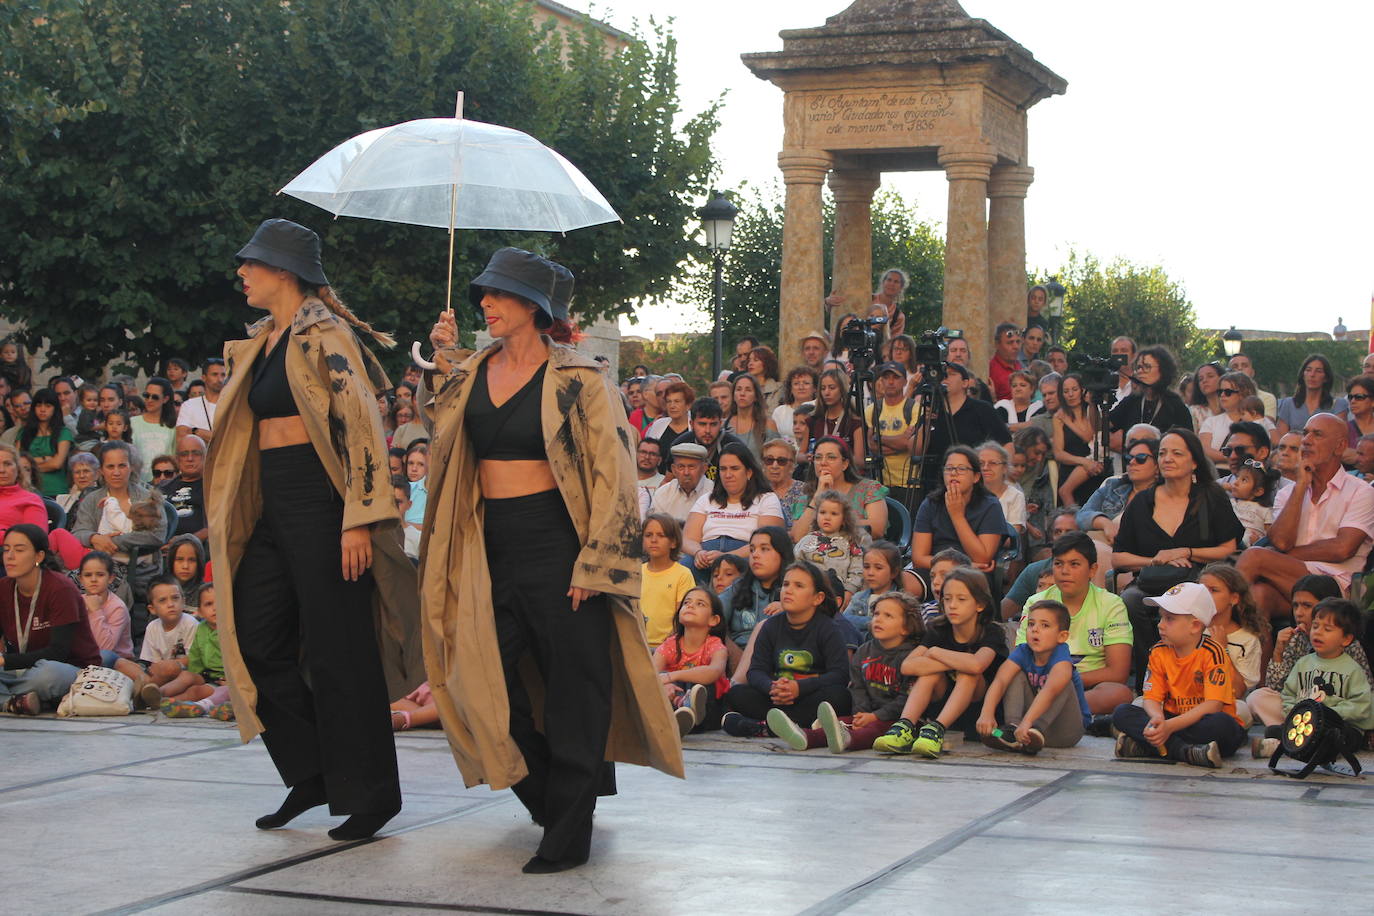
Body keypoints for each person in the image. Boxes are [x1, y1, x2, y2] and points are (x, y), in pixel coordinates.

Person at [421, 247, 679, 874]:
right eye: (484, 292)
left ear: (534, 309)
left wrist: (597, 563)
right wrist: (442, 362)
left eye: (498, 294)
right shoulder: (471, 371)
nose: (486, 302)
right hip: (486, 546)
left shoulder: (580, 380)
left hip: (562, 546)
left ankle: (569, 828)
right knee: (480, 683)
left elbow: (615, 476)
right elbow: (443, 431)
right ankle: (546, 795)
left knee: (574, 692)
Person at [207, 218, 422, 842]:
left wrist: (357, 518)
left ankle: (373, 794)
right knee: (254, 640)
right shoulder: (261, 340)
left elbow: (360, 427)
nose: (242, 272)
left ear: (283, 271)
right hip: (270, 501)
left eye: (252, 262)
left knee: (341, 653)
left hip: (322, 500)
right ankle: (313, 771)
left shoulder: (323, 334)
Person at [1112, 429, 1243, 683]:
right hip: (1153, 580)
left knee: (1194, 601)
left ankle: (1195, 678)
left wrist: (1188, 551)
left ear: (1194, 461)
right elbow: (1118, 558)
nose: (1167, 459)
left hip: (1198, 579)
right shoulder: (1142, 502)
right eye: (1162, 453)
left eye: (1176, 453)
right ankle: (1149, 680)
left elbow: (1229, 548)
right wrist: (1155, 559)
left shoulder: (1210, 496)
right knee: (1130, 599)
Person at [1237, 412, 1374, 623]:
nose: (1306, 441)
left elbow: (1342, 549)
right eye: (1306, 434)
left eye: (1317, 435)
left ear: (1340, 446)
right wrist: (1300, 487)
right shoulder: (1288, 493)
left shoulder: (1361, 491)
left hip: (1336, 587)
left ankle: (1213, 620)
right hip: (1291, 581)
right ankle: (1255, 655)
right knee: (1259, 597)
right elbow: (1281, 541)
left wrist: (1289, 555)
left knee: (1254, 556)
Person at [873, 568, 1008, 756]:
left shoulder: (992, 631)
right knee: (930, 673)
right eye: (947, 598)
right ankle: (904, 727)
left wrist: (935, 652)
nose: (952, 605)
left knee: (968, 673)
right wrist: (952, 661)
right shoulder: (938, 628)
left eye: (961, 599)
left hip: (981, 716)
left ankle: (936, 729)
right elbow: (907, 666)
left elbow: (977, 665)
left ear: (980, 604)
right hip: (941, 703)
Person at [1110, 582, 1247, 768]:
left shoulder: (1213, 652)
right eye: (1161, 618)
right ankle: (1184, 751)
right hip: (1170, 719)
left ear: (1195, 626)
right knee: (1122, 713)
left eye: (1169, 619)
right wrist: (1157, 718)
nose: (1161, 625)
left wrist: (1168, 728)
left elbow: (1213, 706)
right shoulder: (1158, 651)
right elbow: (1151, 698)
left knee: (1224, 726)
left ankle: (1148, 746)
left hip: (1202, 722)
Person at [771, 592, 922, 752]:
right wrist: (861, 713)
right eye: (876, 614)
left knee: (875, 729)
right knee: (841, 723)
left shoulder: (911, 657)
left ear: (906, 628)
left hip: (901, 720)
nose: (878, 619)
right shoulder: (864, 651)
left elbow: (906, 699)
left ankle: (848, 740)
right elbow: (857, 687)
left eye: (888, 616)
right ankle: (806, 737)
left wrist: (875, 716)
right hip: (867, 714)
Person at [721, 561, 853, 738]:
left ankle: (763, 727)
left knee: (840, 697)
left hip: (809, 697)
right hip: (777, 698)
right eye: (785, 584)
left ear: (818, 598)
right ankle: (789, 725)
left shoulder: (828, 628)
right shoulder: (770, 626)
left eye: (798, 586)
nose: (788, 590)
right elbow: (756, 671)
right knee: (737, 693)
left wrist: (799, 688)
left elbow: (840, 674)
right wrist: (772, 688)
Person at [1018, 531, 1134, 717]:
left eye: (1074, 564)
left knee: (1119, 693)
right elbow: (1022, 658)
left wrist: (1064, 680)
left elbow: (1118, 672)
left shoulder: (1111, 604)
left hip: (1086, 687)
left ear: (1092, 570)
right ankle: (1061, 715)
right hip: (1040, 681)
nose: (1064, 571)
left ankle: (1047, 713)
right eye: (1058, 564)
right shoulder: (1035, 603)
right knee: (1007, 682)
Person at [1251, 598, 1374, 759]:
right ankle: (1283, 744)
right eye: (1315, 626)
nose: (1318, 632)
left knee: (1343, 737)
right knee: (1274, 730)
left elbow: (1362, 705)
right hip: (1307, 723)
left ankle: (1295, 747)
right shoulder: (1303, 663)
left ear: (1346, 639)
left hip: (1339, 725)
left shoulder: (1352, 669)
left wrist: (1329, 715)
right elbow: (1288, 694)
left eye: (1327, 629)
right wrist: (1296, 713)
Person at [0, 524, 100, 715]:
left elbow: (58, 652)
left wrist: (5, 660)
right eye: (6, 550)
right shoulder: (3, 588)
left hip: (69, 668)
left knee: (48, 674)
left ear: (39, 556)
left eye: (19, 550)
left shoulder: (60, 588)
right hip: (26, 668)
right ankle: (15, 702)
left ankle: (9, 698)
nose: (10, 556)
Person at [979, 599, 1090, 753]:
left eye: (1045, 625)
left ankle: (1033, 731)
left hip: (1065, 731)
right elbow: (1000, 681)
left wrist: (1029, 723)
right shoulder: (1023, 651)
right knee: (1014, 673)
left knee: (1064, 681)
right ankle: (1011, 732)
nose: (1035, 630)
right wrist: (987, 713)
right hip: (1024, 729)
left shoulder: (1061, 657)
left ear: (1062, 636)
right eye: (1031, 624)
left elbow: (1050, 691)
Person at [72, 442, 168, 598]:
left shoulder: (147, 497)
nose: (116, 472)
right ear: (101, 470)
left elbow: (156, 535)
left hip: (141, 571)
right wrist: (94, 537)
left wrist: (111, 542)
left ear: (131, 467)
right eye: (110, 467)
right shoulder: (92, 500)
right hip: (100, 571)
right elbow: (77, 533)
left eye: (122, 466)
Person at [682, 441, 784, 580]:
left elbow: (767, 541)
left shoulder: (767, 498)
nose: (728, 475)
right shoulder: (707, 499)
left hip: (746, 554)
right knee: (682, 570)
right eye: (723, 469)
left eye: (734, 468)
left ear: (748, 472)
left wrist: (727, 557)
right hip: (706, 554)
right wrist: (698, 552)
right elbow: (688, 539)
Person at [913, 362, 1011, 493]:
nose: (945, 378)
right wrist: (926, 422)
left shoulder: (982, 409)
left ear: (965, 383)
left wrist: (998, 477)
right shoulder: (932, 410)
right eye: (943, 374)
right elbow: (915, 451)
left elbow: (1006, 444)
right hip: (935, 487)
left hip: (974, 487)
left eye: (951, 374)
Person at [911, 445, 1007, 578]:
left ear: (976, 477)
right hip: (934, 568)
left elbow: (982, 559)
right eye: (949, 468)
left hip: (972, 574)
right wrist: (953, 566)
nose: (954, 473)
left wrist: (957, 516)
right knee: (905, 581)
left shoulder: (990, 505)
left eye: (961, 469)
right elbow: (918, 558)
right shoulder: (930, 504)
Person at [654, 586, 729, 736]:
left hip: (709, 710)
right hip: (672, 701)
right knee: (657, 680)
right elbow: (651, 672)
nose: (690, 605)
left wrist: (670, 677)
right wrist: (666, 684)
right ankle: (680, 711)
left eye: (700, 604)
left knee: (699, 686)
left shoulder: (715, 646)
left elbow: (714, 672)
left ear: (713, 619)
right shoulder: (670, 645)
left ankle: (687, 711)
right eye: (687, 602)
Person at [792, 436, 888, 543]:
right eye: (818, 457)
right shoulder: (806, 496)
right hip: (816, 556)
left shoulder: (868, 488)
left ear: (845, 464)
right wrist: (818, 495)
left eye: (831, 457)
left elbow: (877, 529)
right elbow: (798, 537)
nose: (823, 462)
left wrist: (835, 523)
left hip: (859, 552)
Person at [1108, 346, 1192, 456]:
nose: (1140, 371)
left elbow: (1187, 443)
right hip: (1133, 464)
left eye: (1147, 367)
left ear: (1162, 370)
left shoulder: (1175, 404)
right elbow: (1103, 425)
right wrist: (1092, 403)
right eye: (1138, 367)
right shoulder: (1133, 399)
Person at [1077, 436, 1160, 543]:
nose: (1132, 462)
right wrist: (1105, 524)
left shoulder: (1164, 494)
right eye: (1129, 458)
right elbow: (1082, 516)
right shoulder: (1113, 485)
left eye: (1141, 458)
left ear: (1158, 466)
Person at [794, 489, 866, 605]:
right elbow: (795, 564)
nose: (827, 517)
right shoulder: (807, 540)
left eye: (834, 514)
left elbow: (857, 570)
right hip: (807, 593)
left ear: (844, 519)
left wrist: (849, 591)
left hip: (837, 594)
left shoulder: (851, 542)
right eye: (822, 512)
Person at [640, 513, 696, 649]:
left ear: (674, 542)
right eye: (648, 535)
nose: (653, 540)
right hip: (637, 645)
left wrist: (668, 645)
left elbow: (683, 617)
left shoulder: (683, 574)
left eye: (661, 535)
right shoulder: (636, 572)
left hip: (669, 647)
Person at [1052, 373, 1107, 507]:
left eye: (1074, 390)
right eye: (1066, 391)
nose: (1070, 394)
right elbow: (1058, 453)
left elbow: (1089, 436)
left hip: (1093, 468)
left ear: (1082, 390)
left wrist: (1069, 422)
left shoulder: (1091, 409)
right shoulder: (1058, 417)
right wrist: (1083, 462)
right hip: (1071, 468)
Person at [869, 362, 917, 504]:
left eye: (896, 377)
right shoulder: (871, 410)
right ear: (881, 381)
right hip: (879, 484)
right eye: (886, 377)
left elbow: (908, 444)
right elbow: (871, 446)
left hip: (908, 483)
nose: (890, 382)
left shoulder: (914, 407)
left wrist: (879, 437)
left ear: (905, 381)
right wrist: (899, 443)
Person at [77, 550, 131, 668]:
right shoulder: (77, 602)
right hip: (86, 658)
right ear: (80, 579)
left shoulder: (118, 607)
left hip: (116, 662)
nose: (93, 579)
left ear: (111, 578)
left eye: (100, 574)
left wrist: (95, 611)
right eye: (88, 575)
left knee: (103, 656)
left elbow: (105, 648)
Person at [20, 388, 75, 498]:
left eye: (48, 406)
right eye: (39, 405)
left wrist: (30, 466)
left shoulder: (63, 433)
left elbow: (57, 463)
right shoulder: (24, 433)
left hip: (56, 489)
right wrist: (45, 459)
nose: (42, 410)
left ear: (55, 409)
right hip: (28, 490)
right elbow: (18, 462)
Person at [1277, 354, 1349, 436]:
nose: (1312, 375)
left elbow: (1339, 437)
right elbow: (1281, 439)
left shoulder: (1338, 405)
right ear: (1303, 375)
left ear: (1326, 378)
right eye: (1308, 370)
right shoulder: (1288, 404)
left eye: (1318, 371)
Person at [674, 396, 742, 483]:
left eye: (713, 424)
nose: (707, 430)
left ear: (720, 424)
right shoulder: (679, 447)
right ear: (691, 424)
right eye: (702, 424)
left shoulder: (734, 447)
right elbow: (669, 481)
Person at [841, 540, 903, 634]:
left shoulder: (902, 601)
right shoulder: (859, 598)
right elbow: (845, 619)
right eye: (866, 567)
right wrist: (871, 622)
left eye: (878, 568)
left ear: (894, 572)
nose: (870, 573)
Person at [1198, 372, 1260, 467]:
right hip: (1217, 475)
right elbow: (1204, 450)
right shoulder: (1211, 422)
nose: (1222, 395)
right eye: (1220, 392)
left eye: (1228, 392)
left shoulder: (1257, 421)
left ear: (1243, 394)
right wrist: (1235, 458)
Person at [808, 368, 866, 467]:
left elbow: (860, 460)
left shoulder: (854, 423)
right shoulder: (813, 420)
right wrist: (808, 457)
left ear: (842, 389)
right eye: (823, 388)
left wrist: (835, 460)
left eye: (832, 387)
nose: (826, 392)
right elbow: (800, 454)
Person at [650, 442, 712, 526]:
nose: (686, 472)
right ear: (674, 470)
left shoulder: (714, 493)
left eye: (691, 467)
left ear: (704, 469)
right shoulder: (663, 494)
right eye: (681, 467)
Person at [128, 378, 177, 484]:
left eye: (155, 397)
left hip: (165, 483)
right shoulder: (132, 423)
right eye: (146, 395)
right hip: (137, 483)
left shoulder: (173, 426)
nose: (149, 400)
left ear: (165, 399)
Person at [159, 434, 208, 542]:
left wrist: (184, 541)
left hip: (198, 550)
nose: (190, 459)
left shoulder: (211, 488)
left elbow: (214, 527)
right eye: (184, 454)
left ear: (205, 456)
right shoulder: (163, 487)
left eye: (196, 453)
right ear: (177, 459)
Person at [175, 357, 227, 444]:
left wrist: (195, 431)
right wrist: (216, 437)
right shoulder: (189, 405)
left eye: (223, 375)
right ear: (204, 377)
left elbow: (231, 439)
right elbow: (181, 437)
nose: (220, 380)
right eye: (214, 374)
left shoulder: (233, 404)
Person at [1229, 459, 1278, 546]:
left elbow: (1270, 535)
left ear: (1258, 491)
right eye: (1237, 477)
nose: (1235, 483)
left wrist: (1258, 540)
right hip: (1228, 539)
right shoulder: (1229, 502)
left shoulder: (1265, 510)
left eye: (1244, 480)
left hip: (1248, 546)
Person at [760, 438, 807, 524]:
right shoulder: (755, 491)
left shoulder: (803, 490)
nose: (774, 466)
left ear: (792, 466)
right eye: (769, 460)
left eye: (781, 461)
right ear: (763, 464)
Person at [646, 381, 694, 466]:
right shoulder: (658, 425)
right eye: (669, 401)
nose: (672, 406)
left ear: (688, 405)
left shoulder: (695, 427)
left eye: (677, 401)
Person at [725, 372, 771, 459]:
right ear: (733, 395)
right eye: (738, 389)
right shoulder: (724, 425)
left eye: (748, 390)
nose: (742, 394)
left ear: (756, 396)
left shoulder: (768, 425)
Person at [770, 367, 817, 446]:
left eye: (806, 383)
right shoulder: (779, 411)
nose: (801, 387)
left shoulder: (818, 408)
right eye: (796, 384)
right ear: (790, 388)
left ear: (815, 388)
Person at [1227, 352, 1278, 420]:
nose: (1240, 368)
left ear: (1252, 372)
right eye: (1235, 366)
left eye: (1245, 365)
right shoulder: (1224, 397)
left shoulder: (1267, 398)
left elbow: (1267, 425)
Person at [987, 323, 1024, 402]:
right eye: (1010, 343)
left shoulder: (1020, 366)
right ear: (997, 344)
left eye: (1018, 342)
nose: (1016, 347)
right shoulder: (991, 370)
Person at [1342, 375, 1374, 464]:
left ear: (1373, 402)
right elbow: (1337, 454)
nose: (1353, 401)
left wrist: (1356, 455)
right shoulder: (1343, 429)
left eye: (1359, 397)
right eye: (1350, 397)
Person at [1187, 361, 1224, 431]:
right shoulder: (1194, 412)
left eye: (1210, 376)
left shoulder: (1232, 408)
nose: (1205, 381)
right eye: (1201, 379)